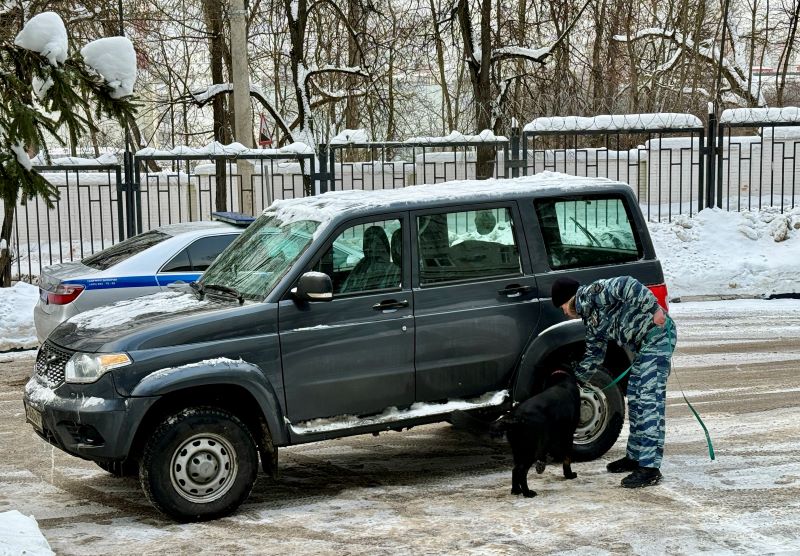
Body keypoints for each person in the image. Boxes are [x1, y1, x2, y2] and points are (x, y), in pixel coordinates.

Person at [550, 275, 675, 488]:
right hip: (642, 346)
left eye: (562, 306)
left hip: (658, 336)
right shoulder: (590, 316)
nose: (563, 311)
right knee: (635, 400)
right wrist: (575, 380)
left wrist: (654, 309)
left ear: (569, 299)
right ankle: (635, 457)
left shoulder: (595, 292)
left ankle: (650, 468)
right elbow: (594, 354)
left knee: (648, 403)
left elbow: (628, 284)